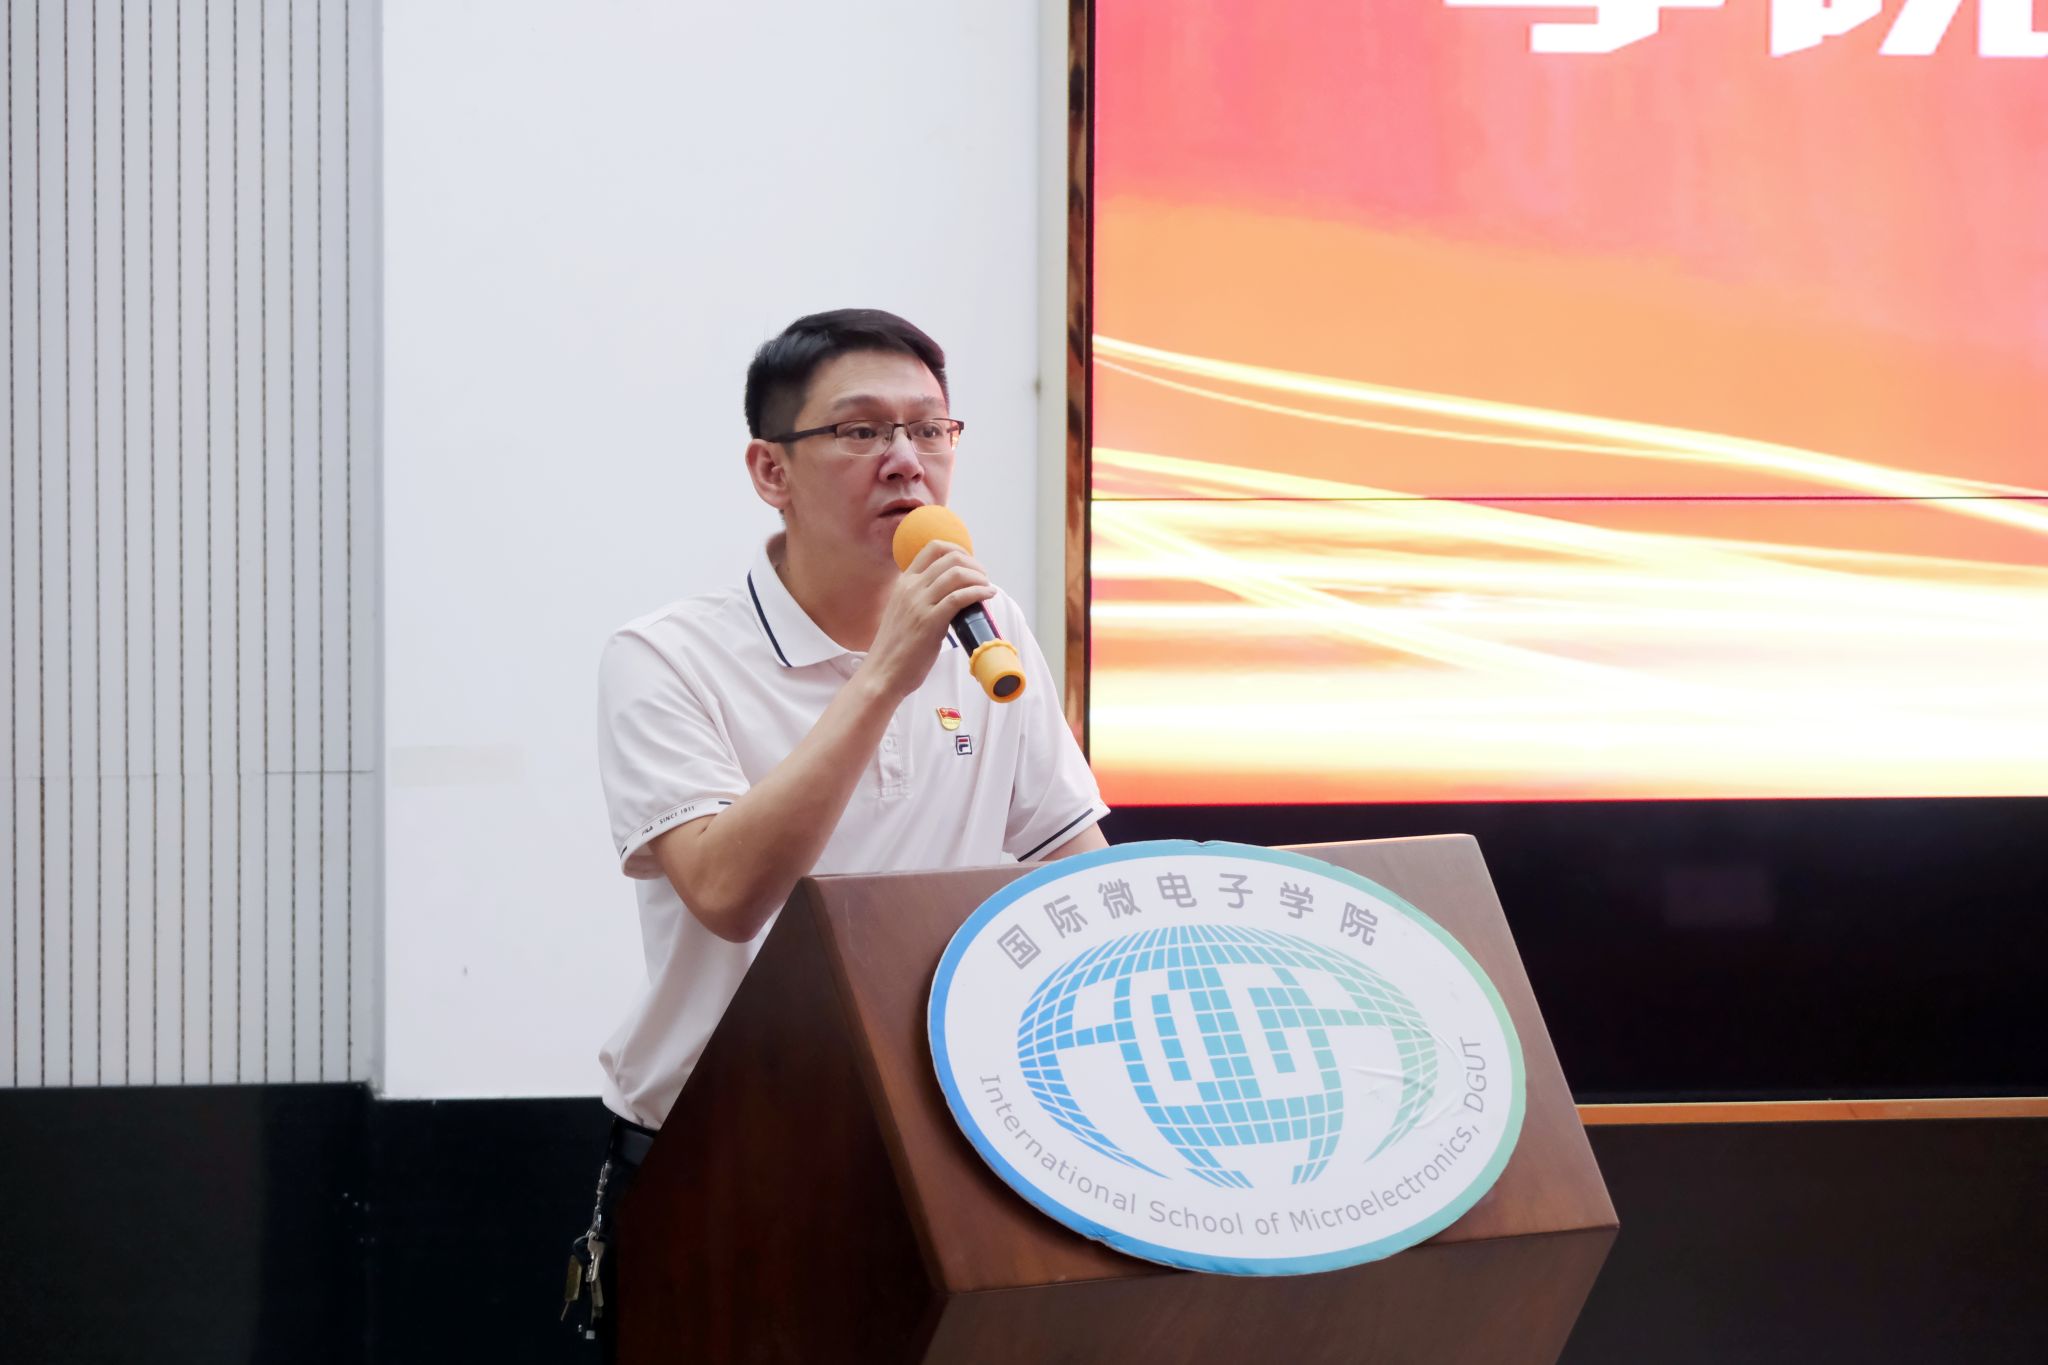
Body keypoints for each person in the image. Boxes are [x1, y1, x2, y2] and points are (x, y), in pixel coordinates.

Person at [564, 309, 1108, 1351]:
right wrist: (884, 675)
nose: (906, 460)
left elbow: (1073, 872)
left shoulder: (991, 634)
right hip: (730, 1158)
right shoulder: (666, 658)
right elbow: (726, 895)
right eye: (861, 432)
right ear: (770, 471)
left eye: (930, 429)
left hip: (957, 1149)